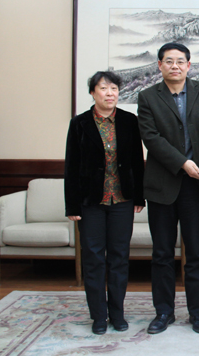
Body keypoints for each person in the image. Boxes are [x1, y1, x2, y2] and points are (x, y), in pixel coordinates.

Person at [137, 42, 199, 335]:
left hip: (197, 186)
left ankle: (198, 313)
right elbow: (151, 138)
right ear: (160, 65)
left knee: (196, 252)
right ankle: (163, 312)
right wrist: (183, 163)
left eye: (180, 61)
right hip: (163, 184)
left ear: (189, 65)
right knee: (162, 253)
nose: (175, 66)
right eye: (169, 61)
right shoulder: (147, 96)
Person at [64, 71, 145, 335]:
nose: (109, 93)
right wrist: (72, 206)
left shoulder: (129, 121)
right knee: (94, 259)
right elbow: (71, 165)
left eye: (114, 89)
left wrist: (139, 196)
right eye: (103, 88)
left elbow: (137, 161)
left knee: (119, 258)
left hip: (122, 199)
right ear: (93, 93)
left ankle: (117, 314)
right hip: (91, 202)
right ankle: (99, 316)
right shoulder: (79, 123)